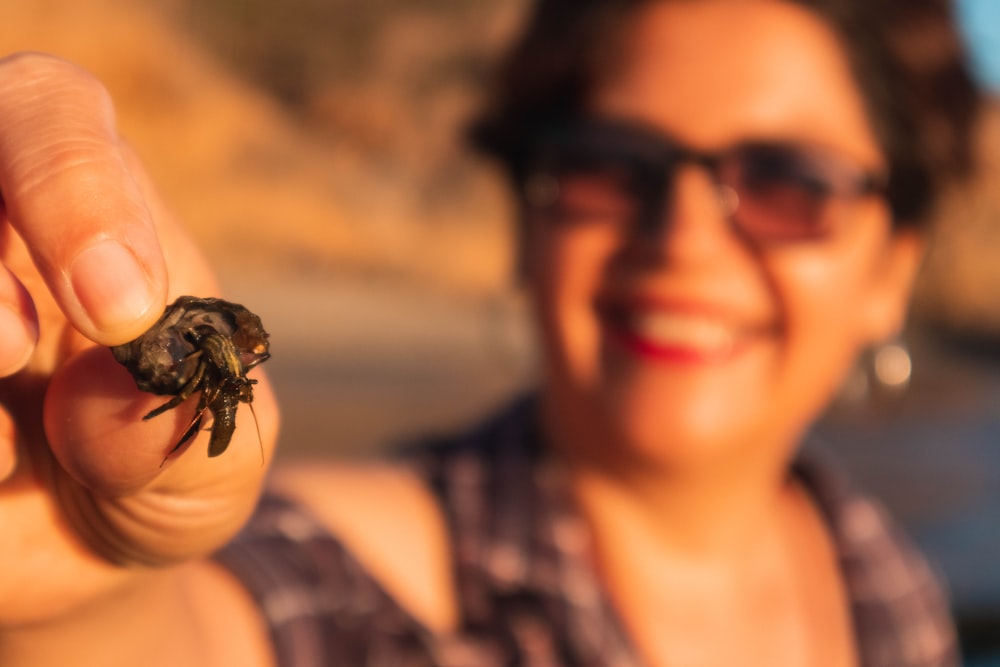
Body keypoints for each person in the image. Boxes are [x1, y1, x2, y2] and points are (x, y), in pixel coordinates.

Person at [0, 0, 981, 665]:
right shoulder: (346, 580)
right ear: (528, 221)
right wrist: (84, 601)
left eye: (785, 183)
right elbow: (198, 628)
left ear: (892, 265)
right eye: (610, 163)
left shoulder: (888, 586)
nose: (683, 239)